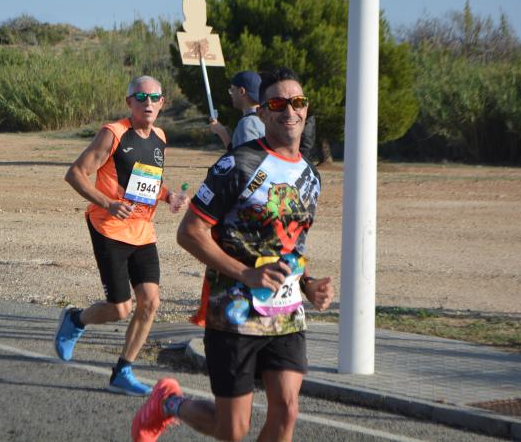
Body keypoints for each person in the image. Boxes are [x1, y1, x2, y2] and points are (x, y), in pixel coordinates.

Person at [132, 67, 334, 442]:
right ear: (263, 112)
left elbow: (289, 246)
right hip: (233, 312)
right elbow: (189, 232)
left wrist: (307, 284)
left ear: (306, 108)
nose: (290, 111)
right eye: (279, 104)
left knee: (287, 411)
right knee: (232, 429)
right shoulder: (237, 165)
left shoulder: (310, 175)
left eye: (298, 102)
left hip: (286, 313)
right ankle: (169, 403)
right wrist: (246, 274)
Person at [55, 75, 189, 397]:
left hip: (142, 230)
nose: (148, 103)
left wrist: (169, 196)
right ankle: (76, 320)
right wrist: (108, 204)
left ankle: (123, 371)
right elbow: (75, 174)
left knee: (150, 302)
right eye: (140, 97)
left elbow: (148, 180)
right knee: (120, 308)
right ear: (129, 102)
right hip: (108, 227)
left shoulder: (160, 137)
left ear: (162, 103)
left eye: (154, 97)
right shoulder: (113, 133)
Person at [208, 70, 264, 150]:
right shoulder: (266, 118)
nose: (231, 95)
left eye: (232, 90)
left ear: (241, 91)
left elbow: (244, 156)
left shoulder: (248, 123)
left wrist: (223, 133)